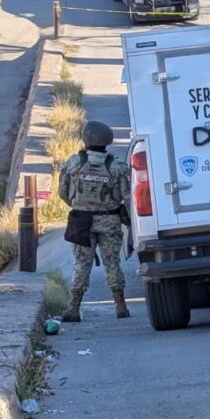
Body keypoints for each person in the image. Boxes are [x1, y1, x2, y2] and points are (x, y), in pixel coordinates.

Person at [58, 120, 131, 321]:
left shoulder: (74, 163)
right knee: (112, 263)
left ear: (86, 140)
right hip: (110, 221)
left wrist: (79, 205)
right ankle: (121, 307)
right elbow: (127, 196)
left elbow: (62, 192)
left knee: (81, 264)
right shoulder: (116, 167)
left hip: (81, 222)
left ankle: (73, 309)